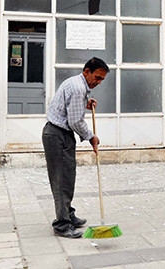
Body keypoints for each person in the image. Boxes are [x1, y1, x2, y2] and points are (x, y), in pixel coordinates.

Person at [42, 57, 109, 238]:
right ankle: (62, 224)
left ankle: (68, 214)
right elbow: (75, 121)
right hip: (57, 135)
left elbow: (67, 105)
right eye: (97, 77)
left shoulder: (74, 82)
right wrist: (91, 137)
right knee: (62, 180)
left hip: (59, 134)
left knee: (67, 177)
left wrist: (85, 104)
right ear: (86, 71)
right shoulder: (79, 88)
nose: (98, 82)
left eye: (102, 79)